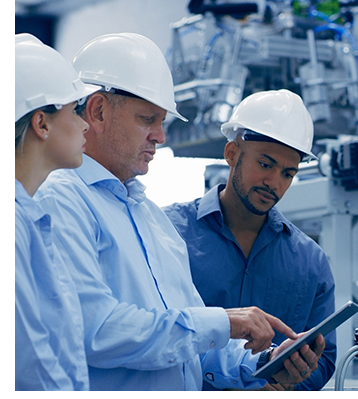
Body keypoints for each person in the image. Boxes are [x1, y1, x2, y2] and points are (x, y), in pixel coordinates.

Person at [35, 33, 324, 391]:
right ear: (97, 111)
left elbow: (193, 343)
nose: (160, 136)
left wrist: (261, 362)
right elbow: (96, 329)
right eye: (147, 119)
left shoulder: (151, 219)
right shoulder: (62, 200)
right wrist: (223, 322)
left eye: (162, 122)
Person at [163, 89, 336, 391]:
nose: (275, 183)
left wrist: (286, 387)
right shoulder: (167, 231)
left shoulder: (311, 262)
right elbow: (155, 330)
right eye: (266, 165)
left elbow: (325, 358)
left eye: (288, 173)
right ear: (231, 154)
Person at [15, 33, 100, 390]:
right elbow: (27, 358)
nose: (85, 124)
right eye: (74, 109)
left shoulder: (29, 214)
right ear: (42, 124)